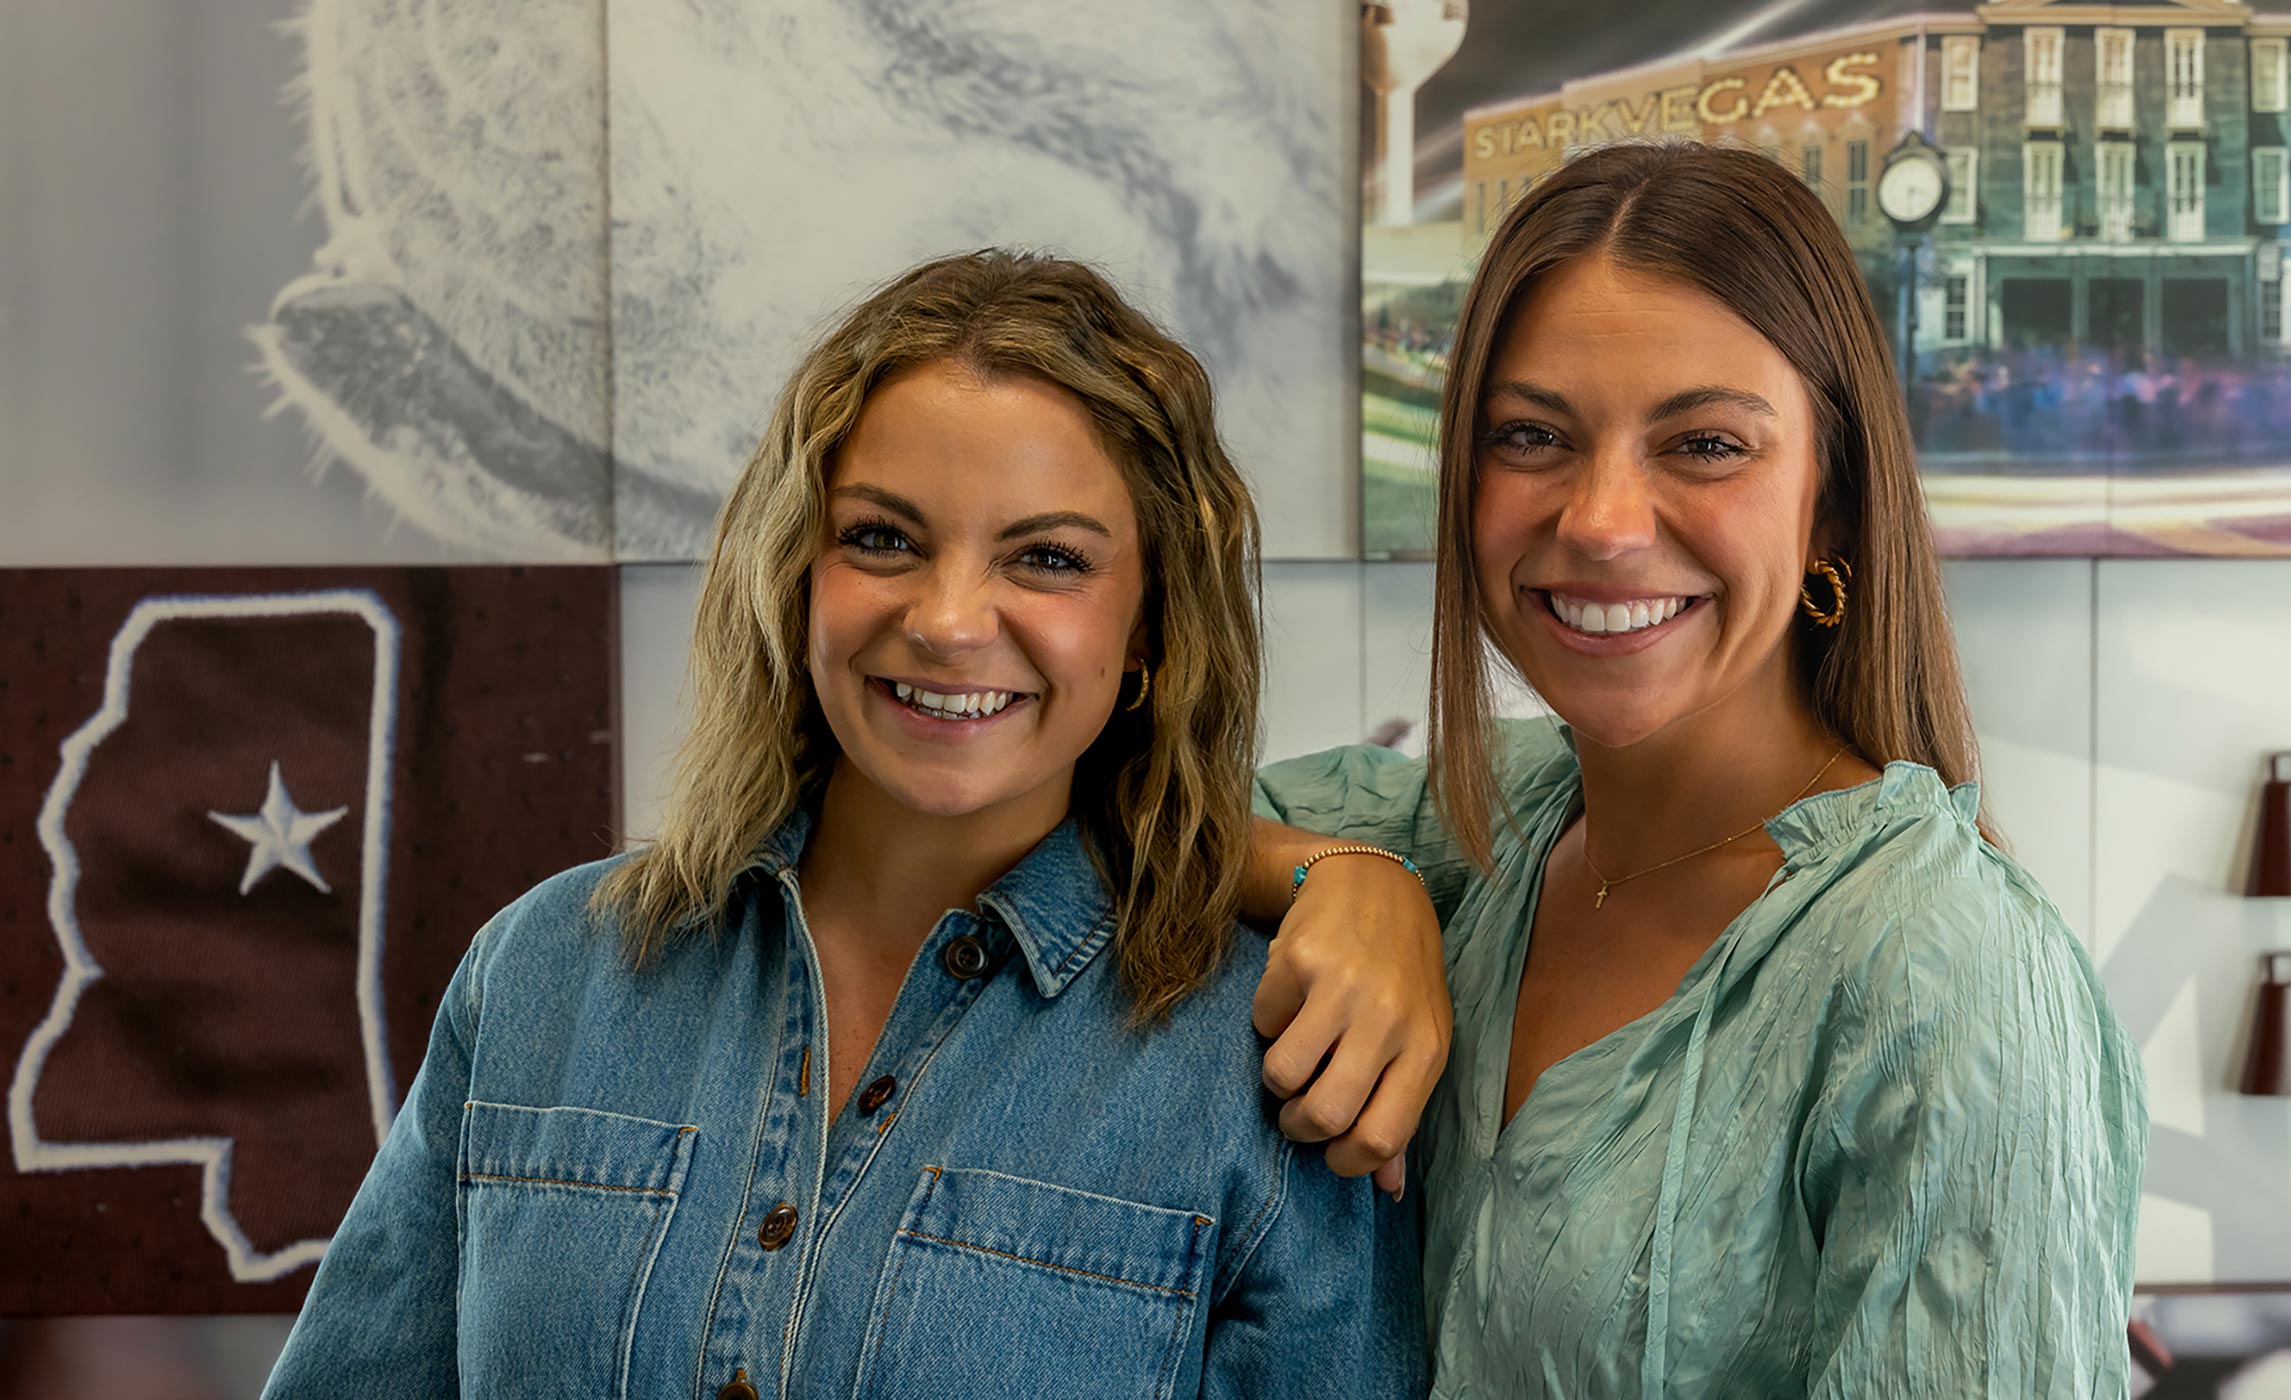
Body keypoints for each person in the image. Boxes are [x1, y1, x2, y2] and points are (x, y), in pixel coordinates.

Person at [262, 251, 1423, 1400]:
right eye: (882, 537)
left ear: (1151, 633)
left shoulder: (1265, 1063)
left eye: (1049, 558)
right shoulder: (543, 972)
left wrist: (1369, 876)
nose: (952, 619)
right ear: (794, 570)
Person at [1244, 142, 2147, 1397]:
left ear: (1831, 503)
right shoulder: (1468, 828)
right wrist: (1346, 876)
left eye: (1707, 444)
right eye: (1532, 435)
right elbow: (1109, 817)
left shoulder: (1948, 975)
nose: (1603, 520)